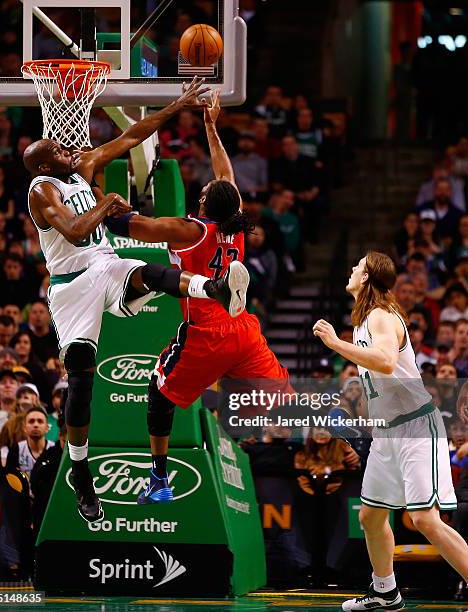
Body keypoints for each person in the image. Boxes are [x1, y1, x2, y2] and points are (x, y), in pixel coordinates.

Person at [24, 77, 249, 523]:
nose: (70, 150)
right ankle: (82, 471)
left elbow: (132, 136)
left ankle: (216, 289)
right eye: (59, 151)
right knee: (82, 380)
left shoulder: (83, 165)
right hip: (71, 287)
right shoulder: (42, 191)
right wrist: (107, 203)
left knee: (147, 273)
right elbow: (74, 231)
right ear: (45, 165)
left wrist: (178, 104)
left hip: (104, 264)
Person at [103, 90, 291, 505]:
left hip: (206, 329)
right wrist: (210, 124)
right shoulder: (235, 221)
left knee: (159, 391)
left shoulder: (193, 229)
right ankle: (337, 422)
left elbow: (135, 229)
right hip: (243, 328)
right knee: (284, 401)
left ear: (203, 203)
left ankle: (160, 479)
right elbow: (225, 175)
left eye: (204, 190)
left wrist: (105, 210)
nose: (205, 187)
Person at [313, 251, 467, 611]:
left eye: (357, 267)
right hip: (387, 434)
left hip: (415, 426)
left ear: (366, 278)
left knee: (424, 519)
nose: (351, 269)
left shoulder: (381, 317)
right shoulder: (363, 321)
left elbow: (385, 361)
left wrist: (335, 344)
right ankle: (385, 591)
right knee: (370, 515)